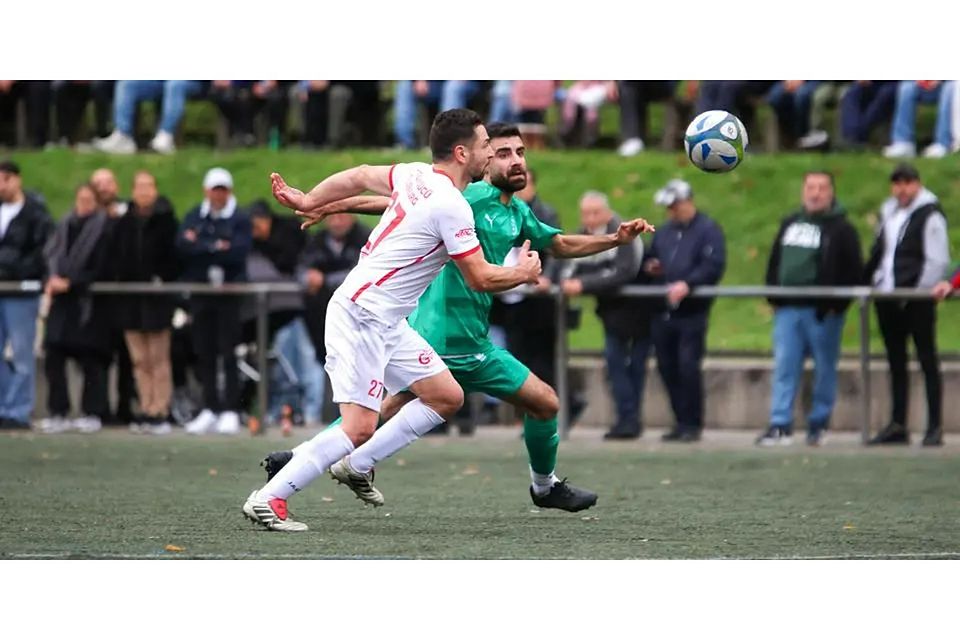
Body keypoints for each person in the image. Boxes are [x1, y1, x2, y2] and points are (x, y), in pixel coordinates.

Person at [262, 122, 654, 517]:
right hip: (435, 335)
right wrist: (330, 205)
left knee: (544, 403)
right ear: (481, 158)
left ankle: (544, 485)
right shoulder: (467, 196)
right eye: (501, 153)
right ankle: (298, 462)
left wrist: (614, 240)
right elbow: (394, 204)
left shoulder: (516, 212)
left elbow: (561, 243)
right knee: (380, 411)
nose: (515, 161)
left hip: (475, 344)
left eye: (520, 152)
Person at [241, 109, 544, 532]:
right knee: (359, 426)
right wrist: (525, 274)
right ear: (462, 153)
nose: (489, 153)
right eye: (484, 147)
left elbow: (362, 174)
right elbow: (479, 277)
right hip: (363, 315)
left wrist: (312, 199)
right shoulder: (451, 205)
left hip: (386, 319)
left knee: (445, 396)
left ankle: (357, 466)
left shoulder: (417, 175)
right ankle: (270, 497)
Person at [756, 171, 863, 447]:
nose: (815, 193)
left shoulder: (842, 229)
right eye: (811, 187)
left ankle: (819, 424)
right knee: (784, 367)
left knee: (824, 369)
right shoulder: (790, 223)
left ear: (831, 193)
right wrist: (774, 296)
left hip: (822, 313)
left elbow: (853, 270)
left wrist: (834, 305)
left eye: (822, 188)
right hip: (788, 310)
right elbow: (775, 261)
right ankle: (780, 424)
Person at [865, 164, 950, 447]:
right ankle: (898, 423)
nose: (902, 189)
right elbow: (881, 251)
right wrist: (872, 281)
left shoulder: (930, 215)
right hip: (888, 297)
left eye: (907, 183)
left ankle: (934, 425)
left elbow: (937, 260)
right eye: (897, 183)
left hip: (916, 299)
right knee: (896, 362)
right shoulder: (889, 212)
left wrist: (917, 292)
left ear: (917, 184)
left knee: (927, 360)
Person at [561, 191, 651, 440]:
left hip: (640, 313)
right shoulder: (583, 235)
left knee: (633, 368)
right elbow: (569, 266)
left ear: (607, 212)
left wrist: (584, 284)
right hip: (612, 315)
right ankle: (627, 419)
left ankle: (630, 420)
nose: (590, 219)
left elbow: (623, 271)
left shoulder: (624, 233)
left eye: (595, 213)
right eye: (585, 213)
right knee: (616, 365)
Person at [645, 179, 726, 442]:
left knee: (688, 367)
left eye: (674, 206)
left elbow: (713, 265)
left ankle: (693, 422)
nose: (671, 212)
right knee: (667, 367)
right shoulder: (665, 232)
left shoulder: (708, 230)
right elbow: (652, 256)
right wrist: (652, 267)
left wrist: (689, 284)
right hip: (664, 311)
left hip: (692, 312)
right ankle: (680, 420)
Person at [177, 168, 252, 436]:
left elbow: (238, 252)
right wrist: (216, 246)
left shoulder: (240, 218)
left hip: (229, 294)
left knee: (228, 351)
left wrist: (203, 246)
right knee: (204, 351)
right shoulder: (195, 215)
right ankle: (210, 407)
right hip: (202, 293)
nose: (218, 194)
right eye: (214, 189)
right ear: (207, 191)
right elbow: (183, 247)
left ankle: (230, 409)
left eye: (223, 189)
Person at [38, 183, 114, 433]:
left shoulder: (103, 228)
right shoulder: (64, 225)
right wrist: (52, 279)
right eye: (80, 199)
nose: (83, 204)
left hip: (87, 303)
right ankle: (58, 411)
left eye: (88, 200)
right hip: (61, 302)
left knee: (90, 358)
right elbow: (50, 256)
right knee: (54, 356)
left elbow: (102, 267)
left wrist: (71, 282)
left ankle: (91, 411)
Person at [111, 171, 179, 435]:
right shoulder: (124, 222)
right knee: (139, 359)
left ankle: (160, 409)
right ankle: (146, 406)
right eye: (139, 187)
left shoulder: (166, 220)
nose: (143, 191)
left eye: (148, 186)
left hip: (157, 299)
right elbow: (117, 256)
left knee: (158, 357)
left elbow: (173, 257)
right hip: (131, 298)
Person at [0, 160, 53, 429]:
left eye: (6, 179)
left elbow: (41, 251)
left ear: (17, 180)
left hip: (21, 291)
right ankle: (3, 405)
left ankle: (18, 410)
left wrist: (13, 270)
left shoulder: (35, 214)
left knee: (22, 355)